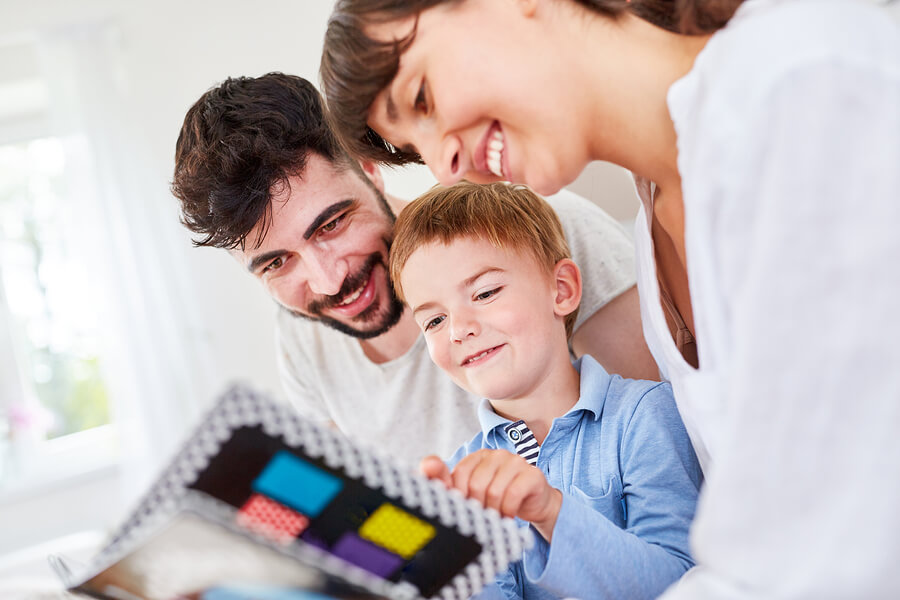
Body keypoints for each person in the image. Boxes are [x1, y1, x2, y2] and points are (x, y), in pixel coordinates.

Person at [319, 0, 900, 596]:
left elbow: (841, 537)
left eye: (422, 98)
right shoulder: (655, 217)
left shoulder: (798, 86)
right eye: (418, 150)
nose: (446, 166)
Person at [171, 72, 658, 463]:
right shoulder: (302, 343)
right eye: (277, 262)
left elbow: (665, 446)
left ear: (368, 169)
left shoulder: (530, 232)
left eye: (332, 224)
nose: (329, 280)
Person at [390, 181, 701, 599]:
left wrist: (550, 512)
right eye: (434, 321)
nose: (460, 329)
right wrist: (437, 560)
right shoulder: (463, 478)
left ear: (562, 290)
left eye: (485, 293)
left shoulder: (643, 416)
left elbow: (680, 582)